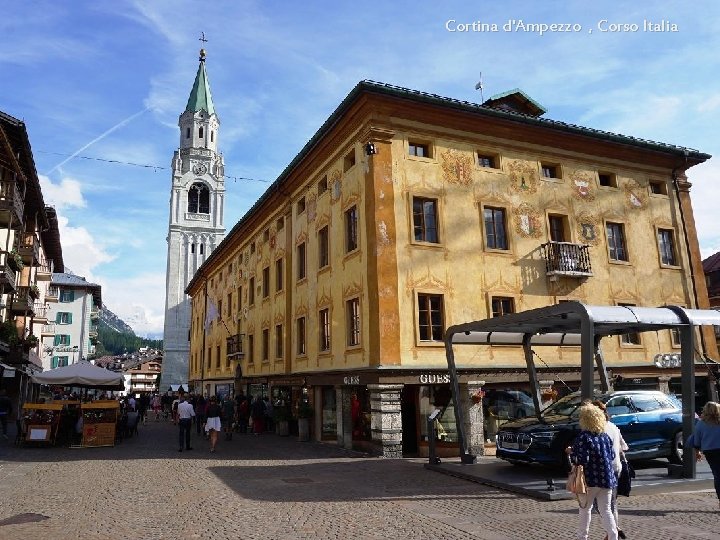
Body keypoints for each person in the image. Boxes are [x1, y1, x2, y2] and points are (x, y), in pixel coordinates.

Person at [567, 403, 618, 540]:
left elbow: (582, 459)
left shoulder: (584, 437)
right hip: (607, 478)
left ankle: (582, 537)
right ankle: (613, 536)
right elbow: (612, 455)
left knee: (585, 509)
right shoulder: (604, 436)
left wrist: (572, 453)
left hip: (590, 479)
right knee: (606, 510)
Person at [594, 400, 629, 539]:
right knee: (611, 503)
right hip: (616, 467)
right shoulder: (613, 426)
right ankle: (612, 532)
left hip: (601, 470)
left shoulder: (596, 429)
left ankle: (613, 530)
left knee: (599, 504)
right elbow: (623, 447)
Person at [687, 401, 720, 510]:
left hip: (710, 451)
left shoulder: (701, 423)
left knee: (717, 475)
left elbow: (696, 440)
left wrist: (697, 452)